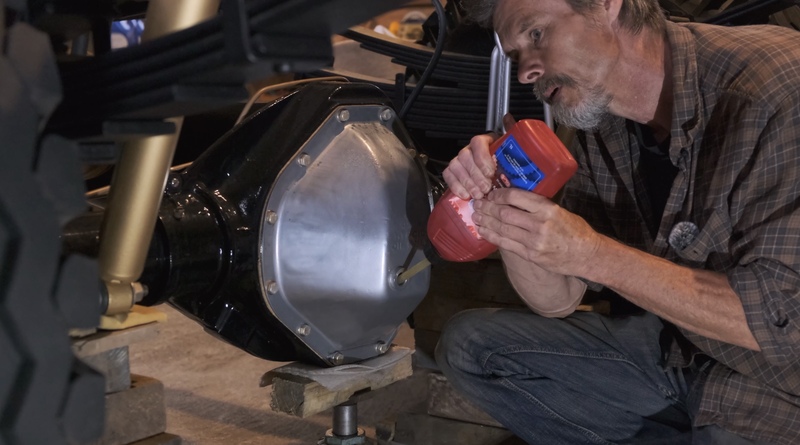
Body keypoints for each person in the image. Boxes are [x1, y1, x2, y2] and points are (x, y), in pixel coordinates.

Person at [434, 0, 800, 443]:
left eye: (536, 34)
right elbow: (559, 299)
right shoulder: (600, 120)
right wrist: (504, 204)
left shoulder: (777, 88)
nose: (527, 72)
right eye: (516, 56)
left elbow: (784, 320)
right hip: (689, 354)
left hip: (781, 381)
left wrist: (593, 255)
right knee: (473, 348)